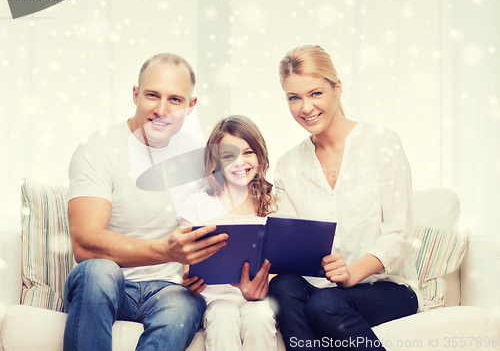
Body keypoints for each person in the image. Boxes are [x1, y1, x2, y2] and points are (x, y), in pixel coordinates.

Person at [63, 53, 228, 351]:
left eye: (175, 100)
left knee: (184, 305)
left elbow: (214, 227)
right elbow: (85, 244)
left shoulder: (200, 155)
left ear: (190, 106)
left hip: (170, 291)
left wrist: (201, 270)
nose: (161, 110)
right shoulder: (97, 150)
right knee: (98, 271)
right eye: (152, 95)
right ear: (136, 94)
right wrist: (166, 250)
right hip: (109, 284)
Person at [268, 45, 424, 351]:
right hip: (321, 288)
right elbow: (292, 246)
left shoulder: (382, 143)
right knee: (282, 287)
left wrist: (353, 272)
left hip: (387, 288)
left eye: (315, 94)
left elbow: (399, 233)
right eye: (294, 98)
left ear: (336, 88)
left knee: (324, 305)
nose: (306, 108)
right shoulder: (288, 165)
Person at [179, 115, 278, 351]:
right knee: (222, 315)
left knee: (260, 316)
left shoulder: (273, 205)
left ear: (260, 156)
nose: (239, 162)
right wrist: (190, 281)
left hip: (258, 299)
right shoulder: (197, 204)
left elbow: (280, 267)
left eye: (247, 152)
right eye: (228, 156)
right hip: (215, 299)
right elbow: (187, 267)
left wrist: (260, 288)